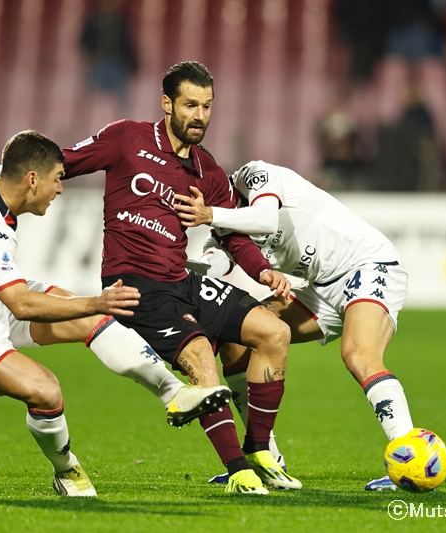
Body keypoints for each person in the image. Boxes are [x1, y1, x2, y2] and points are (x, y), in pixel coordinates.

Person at [0, 131, 231, 497]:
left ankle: (174, 392)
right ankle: (66, 471)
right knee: (45, 392)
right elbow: (22, 305)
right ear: (32, 179)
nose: (60, 190)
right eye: (57, 179)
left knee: (95, 322)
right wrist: (96, 300)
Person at [59, 61, 300, 494]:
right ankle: (237, 470)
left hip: (181, 280)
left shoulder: (207, 170)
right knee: (204, 360)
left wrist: (264, 271)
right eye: (190, 105)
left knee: (274, 333)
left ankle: (260, 450)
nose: (200, 116)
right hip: (134, 287)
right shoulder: (127, 138)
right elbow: (61, 161)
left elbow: (233, 235)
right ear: (167, 104)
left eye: (207, 106)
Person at [175, 159, 418, 491]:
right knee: (241, 335)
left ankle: (410, 457)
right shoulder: (222, 233)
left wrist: (211, 216)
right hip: (320, 287)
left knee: (358, 354)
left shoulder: (255, 175)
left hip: (367, 264)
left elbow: (265, 218)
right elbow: (210, 267)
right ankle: (266, 459)